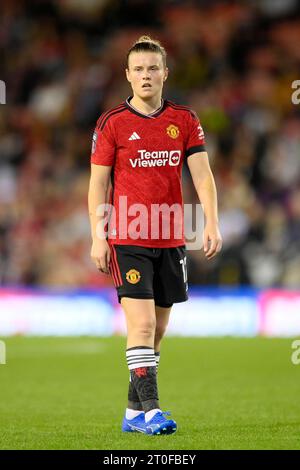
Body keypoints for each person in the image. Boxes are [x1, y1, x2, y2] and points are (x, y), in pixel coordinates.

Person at [88, 36, 222, 435]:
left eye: (153, 68)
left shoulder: (184, 119)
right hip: (127, 237)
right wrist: (98, 235)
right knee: (142, 326)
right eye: (138, 69)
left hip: (171, 238)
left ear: (165, 73)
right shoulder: (112, 123)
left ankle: (132, 413)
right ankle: (151, 414)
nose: (146, 75)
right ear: (127, 75)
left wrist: (211, 221)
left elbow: (202, 174)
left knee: (158, 331)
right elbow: (98, 184)